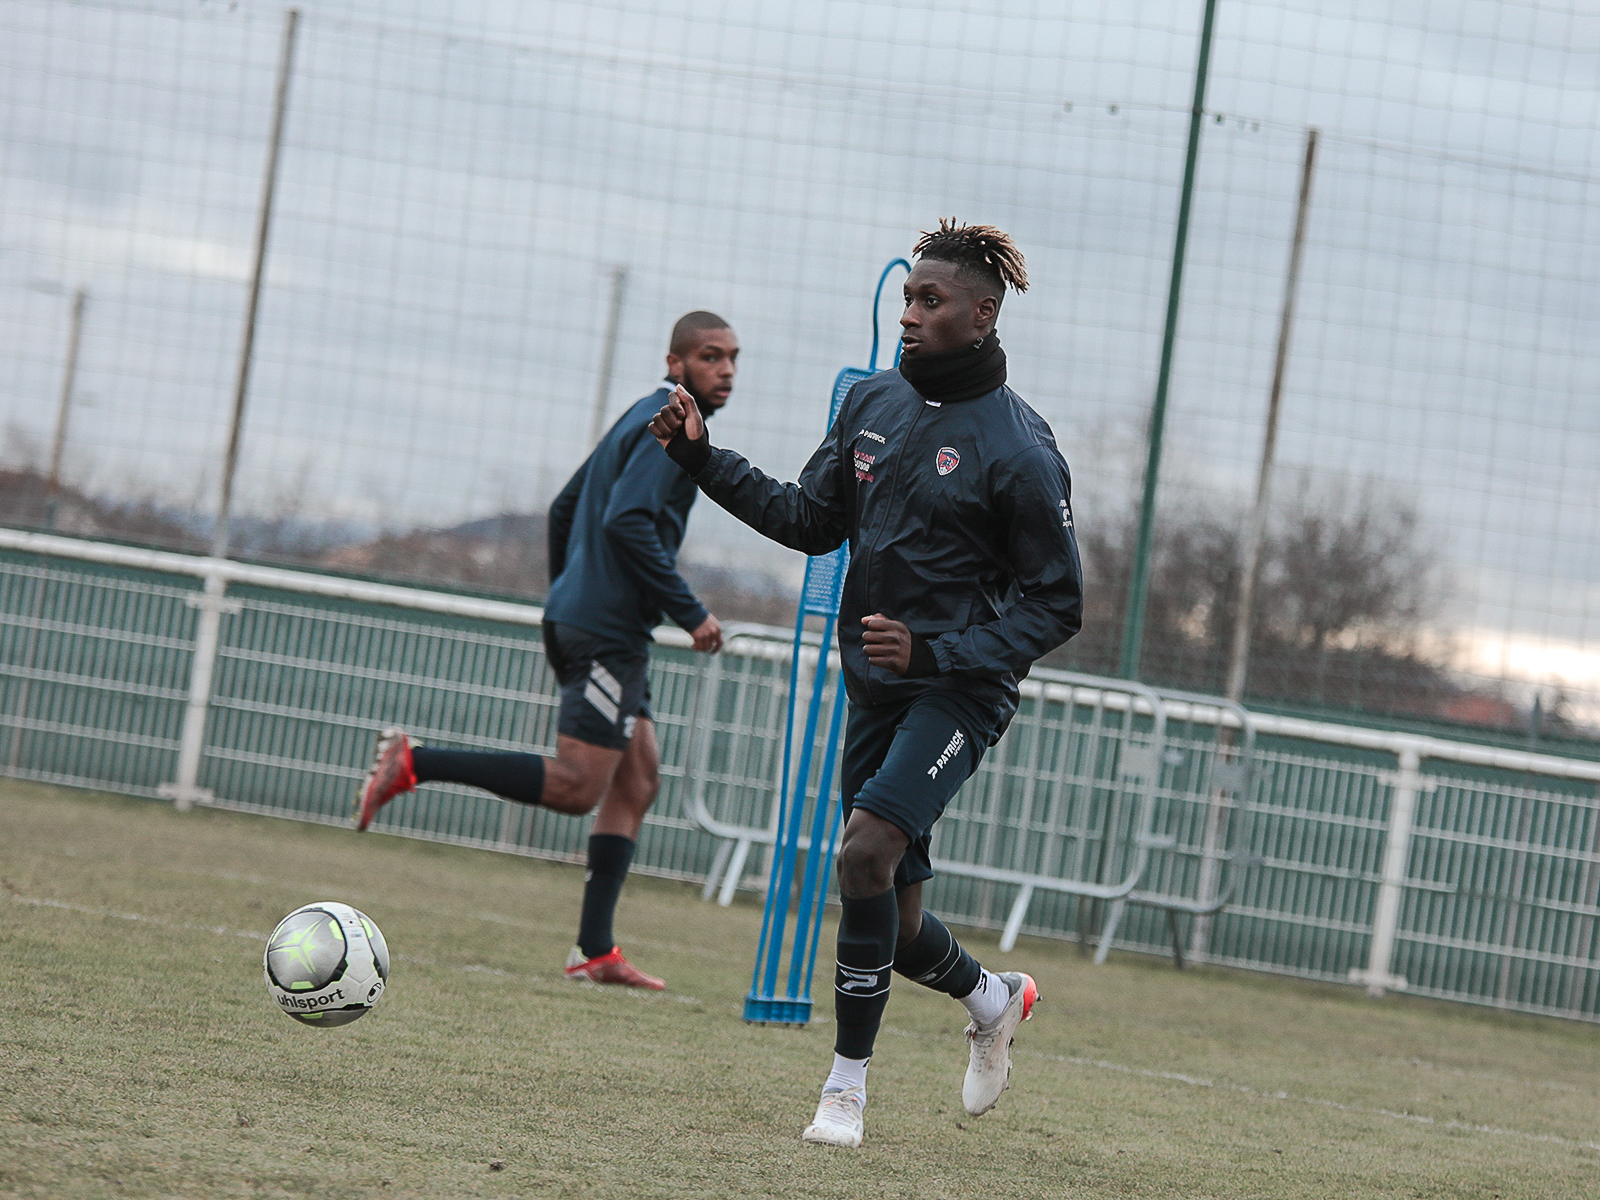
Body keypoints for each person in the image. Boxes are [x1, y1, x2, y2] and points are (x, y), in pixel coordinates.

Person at [648, 222, 1083, 1147]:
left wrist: (938, 656)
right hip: (875, 688)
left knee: (861, 854)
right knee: (895, 913)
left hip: (961, 692)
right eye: (908, 300)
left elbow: (1057, 607)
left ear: (982, 313)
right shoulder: (871, 403)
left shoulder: (1021, 450)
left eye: (932, 302)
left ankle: (844, 1089)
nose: (912, 316)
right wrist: (700, 457)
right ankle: (991, 997)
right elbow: (809, 520)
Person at [354, 311, 737, 990]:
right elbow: (625, 519)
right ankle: (412, 763)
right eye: (710, 357)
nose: (726, 371)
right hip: (606, 629)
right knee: (576, 786)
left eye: (733, 358)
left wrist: (570, 588)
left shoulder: (641, 413)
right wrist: (690, 612)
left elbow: (566, 506)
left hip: (594, 618)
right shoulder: (672, 426)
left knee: (638, 777)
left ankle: (594, 951)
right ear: (676, 362)